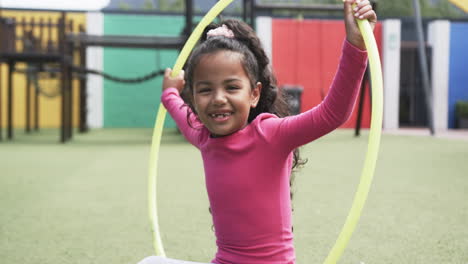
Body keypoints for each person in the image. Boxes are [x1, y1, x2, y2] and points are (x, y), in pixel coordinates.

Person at [139, 0, 377, 263]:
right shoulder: (203, 136)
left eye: (231, 87)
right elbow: (178, 110)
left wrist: (356, 46)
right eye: (206, 90)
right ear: (194, 98)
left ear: (254, 94)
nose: (218, 98)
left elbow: (333, 113)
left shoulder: (271, 134)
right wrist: (170, 92)